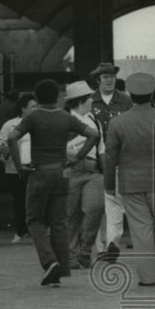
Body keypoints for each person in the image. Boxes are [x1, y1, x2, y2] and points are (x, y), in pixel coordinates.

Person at [7, 79, 99, 287]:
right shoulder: (66, 118)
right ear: (58, 97)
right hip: (61, 173)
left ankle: (49, 262)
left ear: (37, 98)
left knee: (35, 220)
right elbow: (93, 134)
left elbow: (12, 137)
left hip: (39, 173)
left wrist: (20, 166)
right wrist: (77, 158)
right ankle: (60, 271)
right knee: (59, 222)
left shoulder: (33, 117)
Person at [104, 72, 155, 287]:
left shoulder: (117, 123)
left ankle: (147, 278)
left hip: (131, 184)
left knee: (141, 231)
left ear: (130, 95)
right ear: (152, 94)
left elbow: (110, 156)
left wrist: (109, 185)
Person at [90, 62, 133, 263]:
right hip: (96, 159)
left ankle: (111, 245)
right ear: (98, 79)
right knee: (98, 206)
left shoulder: (125, 101)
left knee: (117, 203)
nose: (109, 80)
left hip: (121, 159)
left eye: (112, 77)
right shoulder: (91, 101)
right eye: (105, 77)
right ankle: (101, 248)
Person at [63, 80, 105, 269]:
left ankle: (85, 249)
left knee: (93, 210)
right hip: (70, 170)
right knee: (70, 214)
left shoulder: (93, 119)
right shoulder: (64, 120)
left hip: (92, 169)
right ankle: (72, 254)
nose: (92, 101)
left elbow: (101, 147)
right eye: (89, 98)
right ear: (80, 100)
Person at [0, 93, 37, 243]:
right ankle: (20, 231)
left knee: (35, 200)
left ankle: (36, 230)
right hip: (16, 168)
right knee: (19, 200)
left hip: (35, 167)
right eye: (32, 106)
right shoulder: (10, 124)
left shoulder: (39, 122)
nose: (35, 109)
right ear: (23, 108)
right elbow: (0, 141)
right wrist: (3, 148)